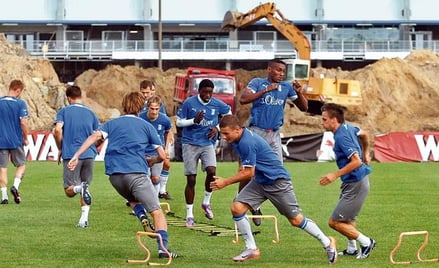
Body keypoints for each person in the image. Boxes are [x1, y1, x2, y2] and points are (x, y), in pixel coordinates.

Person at [210, 115, 337, 264]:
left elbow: (248, 173)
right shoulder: (238, 139)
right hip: (260, 181)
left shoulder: (247, 142)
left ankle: (328, 242)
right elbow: (248, 172)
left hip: (277, 182)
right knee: (237, 208)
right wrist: (241, 195)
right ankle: (251, 248)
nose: (223, 137)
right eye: (222, 133)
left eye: (226, 133)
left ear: (238, 130)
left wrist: (225, 182)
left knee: (296, 220)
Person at [67, 92, 179, 258]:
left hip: (115, 177)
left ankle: (142, 216)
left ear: (123, 106)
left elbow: (95, 136)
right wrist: (152, 160)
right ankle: (163, 250)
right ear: (142, 107)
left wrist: (76, 155)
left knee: (133, 200)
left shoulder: (112, 123)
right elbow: (163, 156)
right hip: (136, 174)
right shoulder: (147, 126)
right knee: (157, 212)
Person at [238, 58, 308, 225]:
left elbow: (304, 107)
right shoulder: (257, 83)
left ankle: (256, 203)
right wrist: (266, 91)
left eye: (283, 71)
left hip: (274, 134)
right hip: (256, 132)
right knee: (248, 170)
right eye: (278, 70)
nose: (281, 74)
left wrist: (300, 92)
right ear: (269, 69)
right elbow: (243, 99)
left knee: (276, 172)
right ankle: (242, 202)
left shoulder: (286, 87)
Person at [320, 103, 375, 259]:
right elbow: (364, 134)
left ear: (334, 119)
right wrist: (366, 152)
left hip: (356, 182)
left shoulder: (342, 136)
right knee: (348, 219)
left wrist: (335, 174)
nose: (322, 123)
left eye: (324, 119)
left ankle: (366, 242)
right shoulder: (348, 127)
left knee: (334, 222)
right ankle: (352, 248)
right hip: (352, 181)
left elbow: (356, 162)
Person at [176, 78, 231, 227]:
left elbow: (229, 113)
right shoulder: (189, 103)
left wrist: (217, 128)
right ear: (199, 91)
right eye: (205, 92)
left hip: (207, 143)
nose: (208, 95)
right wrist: (193, 120)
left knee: (212, 171)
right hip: (190, 143)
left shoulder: (217, 103)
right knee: (191, 180)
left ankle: (206, 202)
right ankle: (189, 214)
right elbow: (179, 122)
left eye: (210, 92)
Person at [53, 85, 99, 228]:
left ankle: (80, 189)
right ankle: (83, 220)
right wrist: (93, 147)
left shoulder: (64, 112)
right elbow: (99, 136)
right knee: (85, 184)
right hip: (89, 154)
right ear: (81, 96)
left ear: (68, 98)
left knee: (69, 190)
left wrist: (60, 147)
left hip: (72, 154)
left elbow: (57, 130)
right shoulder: (91, 113)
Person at [139, 79, 171, 198]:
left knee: (160, 171)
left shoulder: (162, 115)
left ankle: (159, 193)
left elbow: (168, 130)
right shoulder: (138, 108)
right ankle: (138, 198)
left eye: (148, 92)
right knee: (142, 177)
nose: (146, 95)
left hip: (158, 149)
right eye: (144, 92)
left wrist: (166, 147)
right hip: (143, 150)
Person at [0, 79, 29, 204]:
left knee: (2, 168)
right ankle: (15, 187)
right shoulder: (20, 103)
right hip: (16, 139)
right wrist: (26, 137)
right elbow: (23, 122)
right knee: (21, 165)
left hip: (1, 140)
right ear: (18, 90)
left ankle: (4, 197)